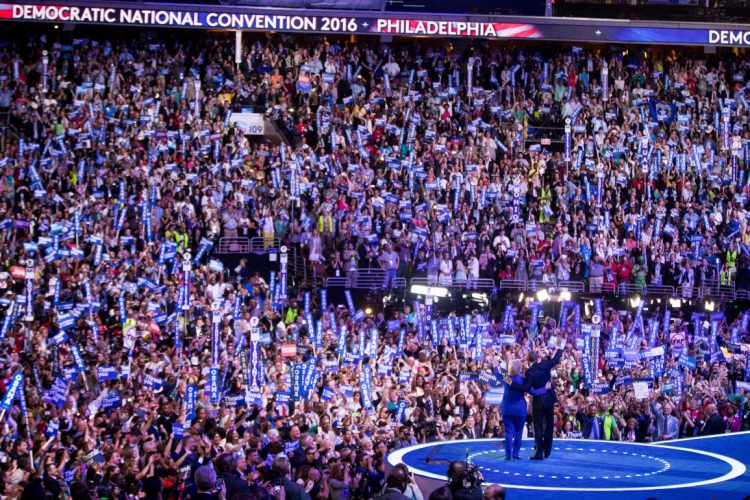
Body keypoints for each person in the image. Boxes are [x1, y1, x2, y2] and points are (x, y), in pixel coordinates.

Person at [516, 339, 564, 460]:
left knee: (538, 427)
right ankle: (547, 450)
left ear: (528, 360)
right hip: (549, 398)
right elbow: (556, 359)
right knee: (549, 425)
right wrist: (560, 345)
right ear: (537, 357)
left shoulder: (529, 372)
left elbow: (527, 388)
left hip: (538, 400)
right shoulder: (545, 364)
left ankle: (539, 453)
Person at [502, 360, 548, 459]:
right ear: (520, 369)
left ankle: (508, 455)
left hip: (507, 408)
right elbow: (535, 393)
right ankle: (515, 454)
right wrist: (545, 388)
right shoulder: (523, 381)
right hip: (520, 410)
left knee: (509, 432)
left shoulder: (506, 378)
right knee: (518, 432)